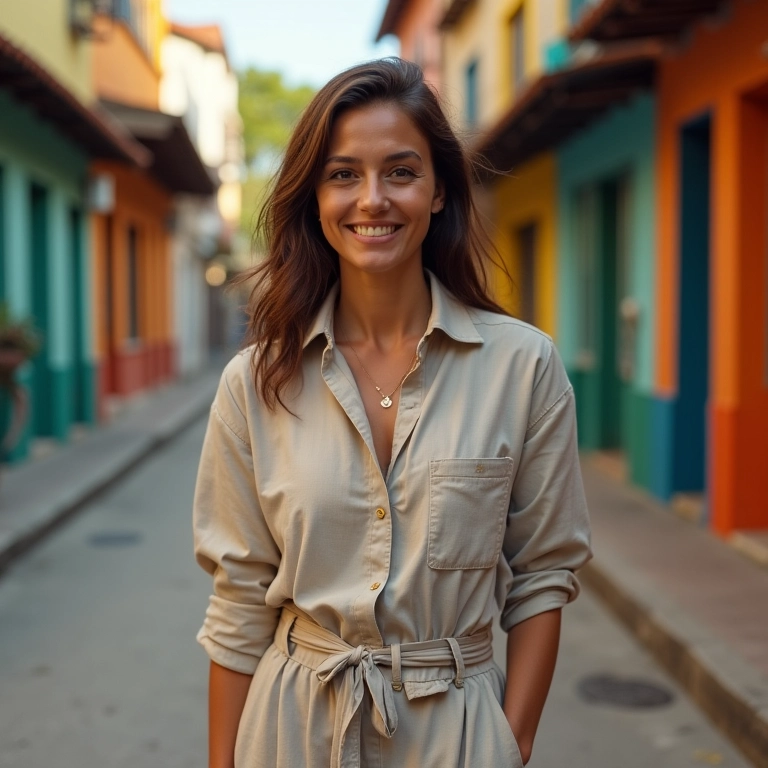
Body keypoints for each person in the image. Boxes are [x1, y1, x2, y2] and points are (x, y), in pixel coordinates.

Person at [193, 57, 592, 768]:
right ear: (314, 196)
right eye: (343, 174)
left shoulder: (522, 367)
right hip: (291, 731)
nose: (372, 199)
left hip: (459, 736)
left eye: (400, 172)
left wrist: (512, 741)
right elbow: (238, 602)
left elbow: (542, 572)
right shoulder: (254, 383)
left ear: (438, 191)